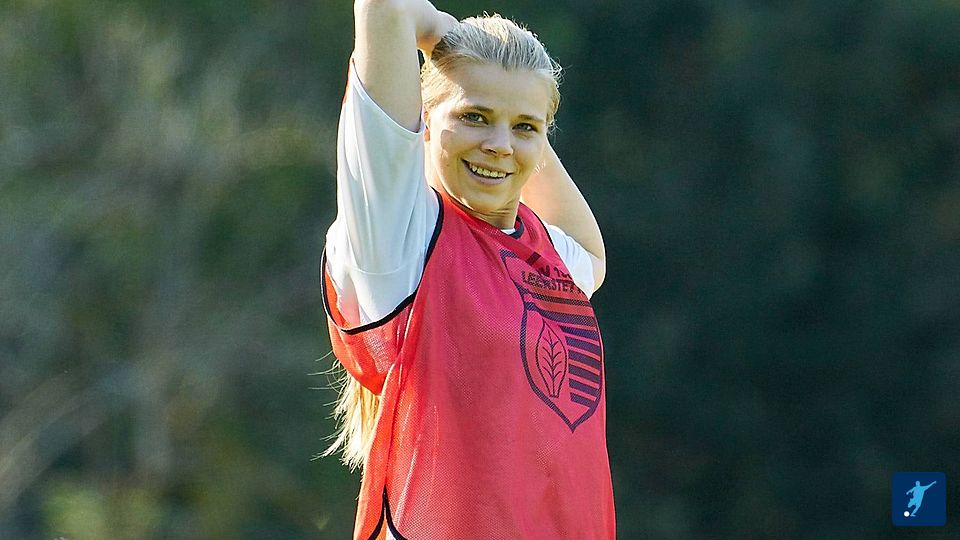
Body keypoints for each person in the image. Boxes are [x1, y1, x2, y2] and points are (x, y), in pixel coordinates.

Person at [321, 0, 614, 537]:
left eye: (525, 127)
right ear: (426, 122)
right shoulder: (402, 240)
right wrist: (443, 35)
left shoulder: (546, 255)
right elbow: (385, 8)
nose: (498, 144)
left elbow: (590, 253)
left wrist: (500, 86)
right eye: (474, 116)